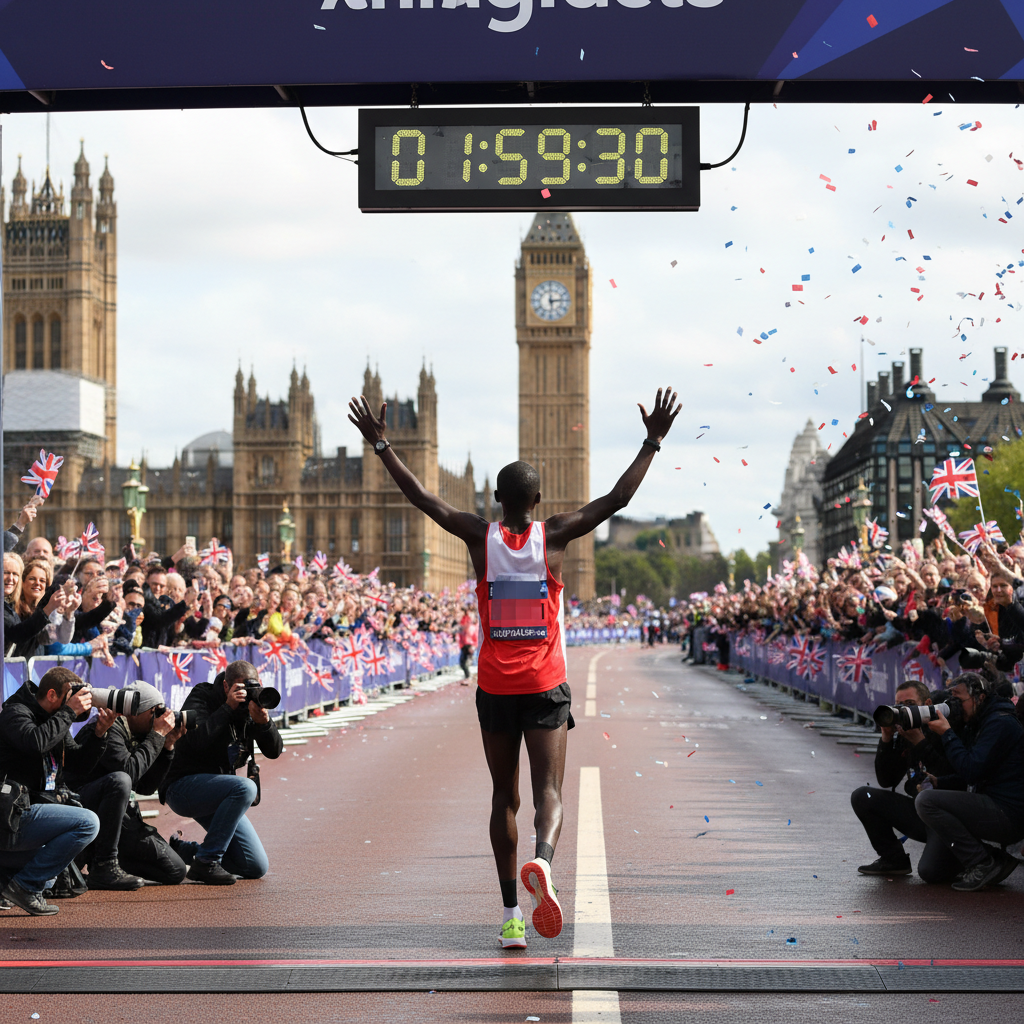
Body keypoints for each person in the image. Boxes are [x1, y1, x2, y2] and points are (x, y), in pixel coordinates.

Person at [348, 385, 680, 949]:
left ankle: (509, 916)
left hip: (496, 687)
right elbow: (617, 499)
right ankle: (542, 860)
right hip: (545, 684)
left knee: (504, 796)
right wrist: (652, 442)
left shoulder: (479, 537)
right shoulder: (556, 536)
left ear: (497, 498)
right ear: (538, 498)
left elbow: (423, 499)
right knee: (549, 790)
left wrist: (381, 447)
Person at [160, 660, 283, 885]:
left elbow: (274, 752)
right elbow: (195, 740)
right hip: (182, 787)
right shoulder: (203, 695)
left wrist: (263, 722)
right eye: (241, 688)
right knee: (246, 788)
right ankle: (207, 861)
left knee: (255, 866)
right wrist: (227, 708)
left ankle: (184, 851)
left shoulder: (251, 706)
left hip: (221, 794)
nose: (247, 694)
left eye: (252, 688)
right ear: (226, 686)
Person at [0, 667, 103, 915]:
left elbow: (77, 766)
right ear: (52, 695)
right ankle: (23, 886)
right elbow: (35, 742)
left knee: (51, 877)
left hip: (24, 814)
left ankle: (10, 883)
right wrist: (68, 712)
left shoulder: (54, 720)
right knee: (88, 823)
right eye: (72, 695)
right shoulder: (15, 713)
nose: (76, 700)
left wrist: (99, 734)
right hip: (9, 817)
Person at [71, 682, 188, 885]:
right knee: (121, 780)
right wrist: (157, 736)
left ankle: (114, 862)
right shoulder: (108, 728)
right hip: (84, 808)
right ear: (133, 712)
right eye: (153, 713)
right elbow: (129, 773)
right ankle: (104, 864)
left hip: (116, 818)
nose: (157, 719)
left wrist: (167, 746)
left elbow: (146, 787)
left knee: (175, 871)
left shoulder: (138, 733)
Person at [917, 672, 1024, 891]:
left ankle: (982, 862)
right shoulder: (979, 720)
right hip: (995, 805)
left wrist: (947, 733)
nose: (954, 705)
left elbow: (972, 770)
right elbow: (974, 771)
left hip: (1009, 813)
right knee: (931, 871)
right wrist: (939, 782)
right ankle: (996, 858)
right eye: (951, 698)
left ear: (980, 697)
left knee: (926, 801)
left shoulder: (1000, 723)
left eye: (959, 699)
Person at [850, 680, 956, 881]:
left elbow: (952, 775)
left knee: (930, 872)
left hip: (947, 816)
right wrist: (886, 739)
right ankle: (893, 859)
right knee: (863, 796)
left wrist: (920, 742)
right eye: (898, 705)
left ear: (926, 704)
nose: (903, 710)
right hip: (920, 813)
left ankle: (989, 857)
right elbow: (886, 780)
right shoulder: (904, 733)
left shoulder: (943, 729)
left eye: (910, 704)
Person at [458, 606, 479, 684]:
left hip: (469, 644)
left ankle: (468, 677)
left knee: (465, 662)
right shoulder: (464, 620)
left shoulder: (469, 622)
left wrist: (474, 646)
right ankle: (468, 677)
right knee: (463, 662)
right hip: (464, 644)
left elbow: (471, 633)